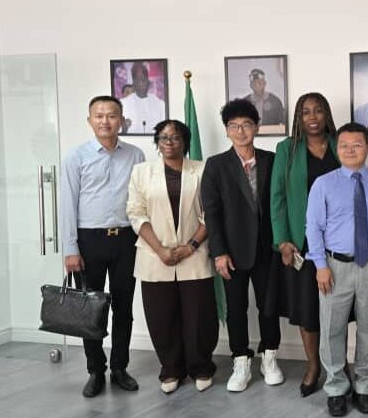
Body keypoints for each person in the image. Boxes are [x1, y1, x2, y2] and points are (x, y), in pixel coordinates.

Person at [306, 122, 368, 416]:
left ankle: (365, 387)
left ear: (367, 147)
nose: (349, 150)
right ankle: (336, 388)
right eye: (343, 145)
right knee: (332, 329)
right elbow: (313, 228)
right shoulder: (323, 184)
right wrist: (320, 266)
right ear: (337, 148)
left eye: (356, 144)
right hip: (335, 267)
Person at [60, 95, 145, 397]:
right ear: (90, 120)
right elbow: (67, 204)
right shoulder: (76, 157)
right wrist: (70, 248)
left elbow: (141, 199)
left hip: (126, 240)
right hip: (89, 241)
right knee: (91, 310)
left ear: (121, 120)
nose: (105, 121)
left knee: (124, 307)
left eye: (111, 115)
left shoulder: (135, 155)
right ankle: (95, 369)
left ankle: (120, 367)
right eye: (99, 115)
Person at [126, 119, 218, 393]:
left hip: (194, 253)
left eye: (176, 137)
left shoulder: (202, 169)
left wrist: (190, 246)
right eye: (164, 137)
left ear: (185, 142)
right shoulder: (142, 172)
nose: (169, 142)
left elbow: (211, 212)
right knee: (161, 316)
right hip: (154, 256)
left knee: (199, 316)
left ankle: (201, 367)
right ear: (157, 142)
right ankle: (170, 369)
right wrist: (160, 249)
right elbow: (135, 213)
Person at [271, 93, 351, 398]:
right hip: (302, 243)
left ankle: (339, 365)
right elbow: (277, 197)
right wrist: (283, 241)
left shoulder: (340, 144)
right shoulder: (287, 149)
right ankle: (314, 365)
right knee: (307, 309)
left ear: (327, 114)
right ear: (298, 117)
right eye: (306, 112)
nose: (313, 117)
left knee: (340, 309)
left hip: (340, 243)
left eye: (318, 111)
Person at [201, 99, 284, 392]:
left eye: (246, 125)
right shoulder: (216, 165)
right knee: (236, 308)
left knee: (269, 306)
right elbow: (211, 212)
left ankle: (269, 357)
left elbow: (280, 203)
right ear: (226, 130)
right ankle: (240, 360)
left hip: (267, 249)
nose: (240, 131)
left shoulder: (272, 160)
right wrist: (219, 252)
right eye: (234, 126)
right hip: (232, 252)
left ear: (256, 128)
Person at [120, 61, 166, 134]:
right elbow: (119, 132)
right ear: (133, 85)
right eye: (138, 80)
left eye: (143, 80)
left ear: (148, 83)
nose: (141, 84)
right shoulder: (123, 103)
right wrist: (124, 128)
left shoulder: (159, 103)